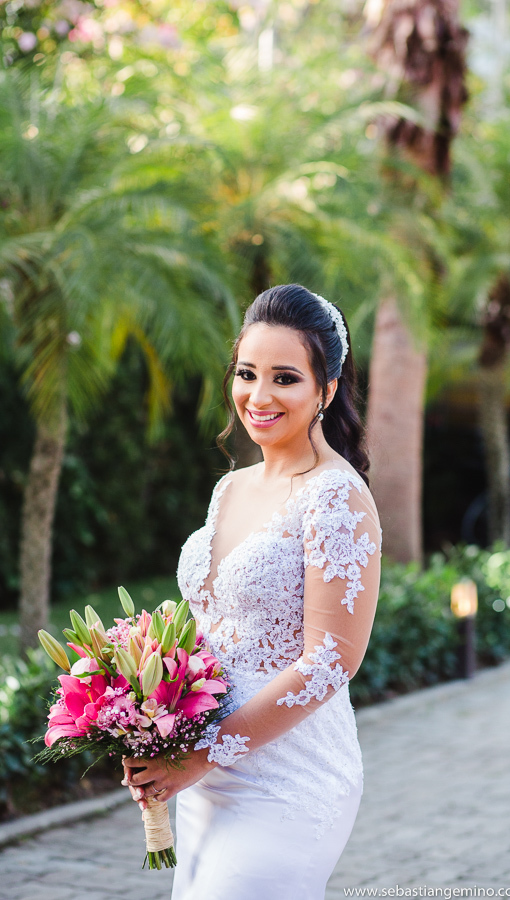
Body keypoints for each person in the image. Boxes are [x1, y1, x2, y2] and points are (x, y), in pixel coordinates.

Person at [123, 283, 381, 900]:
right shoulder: (230, 488)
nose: (258, 397)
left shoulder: (336, 498)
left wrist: (202, 753)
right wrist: (142, 711)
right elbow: (212, 625)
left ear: (327, 390)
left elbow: (329, 663)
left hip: (289, 778)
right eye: (246, 372)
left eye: (285, 378)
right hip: (206, 782)